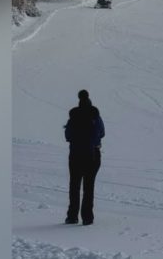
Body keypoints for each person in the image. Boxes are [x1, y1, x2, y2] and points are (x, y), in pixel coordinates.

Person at [63, 89, 105, 225]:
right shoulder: (95, 115)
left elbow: (68, 136)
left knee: (74, 185)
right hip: (92, 154)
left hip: (75, 154)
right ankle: (87, 217)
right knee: (89, 186)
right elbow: (102, 132)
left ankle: (72, 216)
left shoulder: (74, 116)